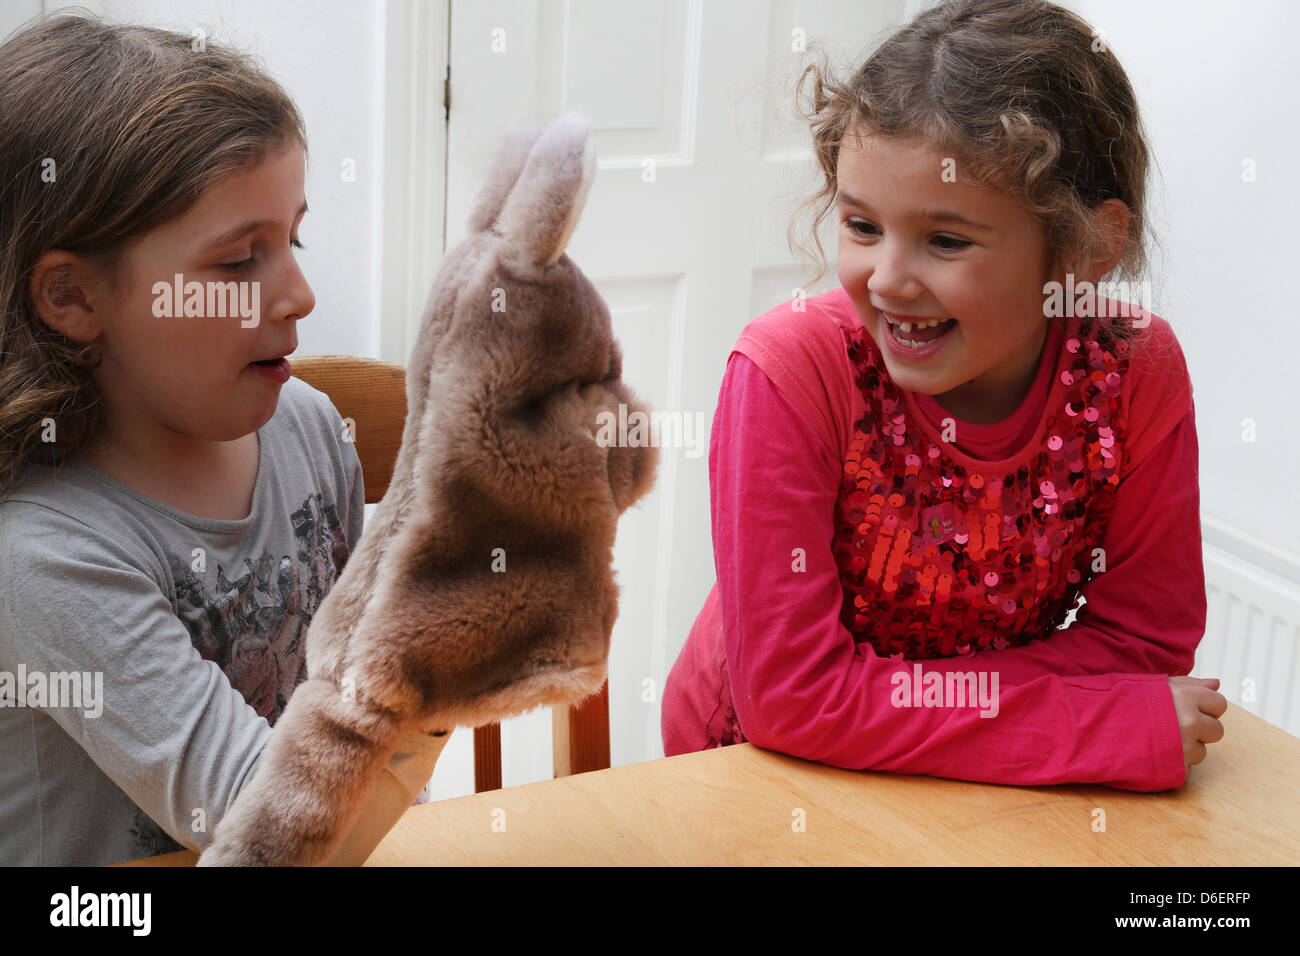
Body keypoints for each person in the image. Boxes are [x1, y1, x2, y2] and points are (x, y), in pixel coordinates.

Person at [662, 0, 1226, 791]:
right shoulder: (790, 371)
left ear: (1088, 248)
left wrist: (907, 710)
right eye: (861, 225)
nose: (887, 279)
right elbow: (791, 701)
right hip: (759, 777)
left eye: (947, 240)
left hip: (991, 781)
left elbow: (1143, 642)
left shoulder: (1135, 371)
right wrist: (1093, 722)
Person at [0, 11, 442, 865]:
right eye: (240, 262)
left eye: (294, 237)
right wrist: (453, 620)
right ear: (73, 298)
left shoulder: (311, 429)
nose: (299, 293)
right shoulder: (44, 555)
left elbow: (360, 725)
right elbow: (274, 832)